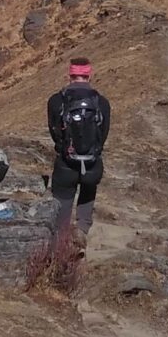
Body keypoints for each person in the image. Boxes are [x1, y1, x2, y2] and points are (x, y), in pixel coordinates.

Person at [47, 56, 110, 242]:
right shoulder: (102, 102)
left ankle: (61, 244)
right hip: (92, 164)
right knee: (88, 194)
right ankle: (82, 231)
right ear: (89, 74)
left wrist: (63, 147)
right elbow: (103, 133)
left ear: (70, 74)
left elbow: (53, 130)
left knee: (63, 203)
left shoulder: (56, 101)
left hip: (65, 164)